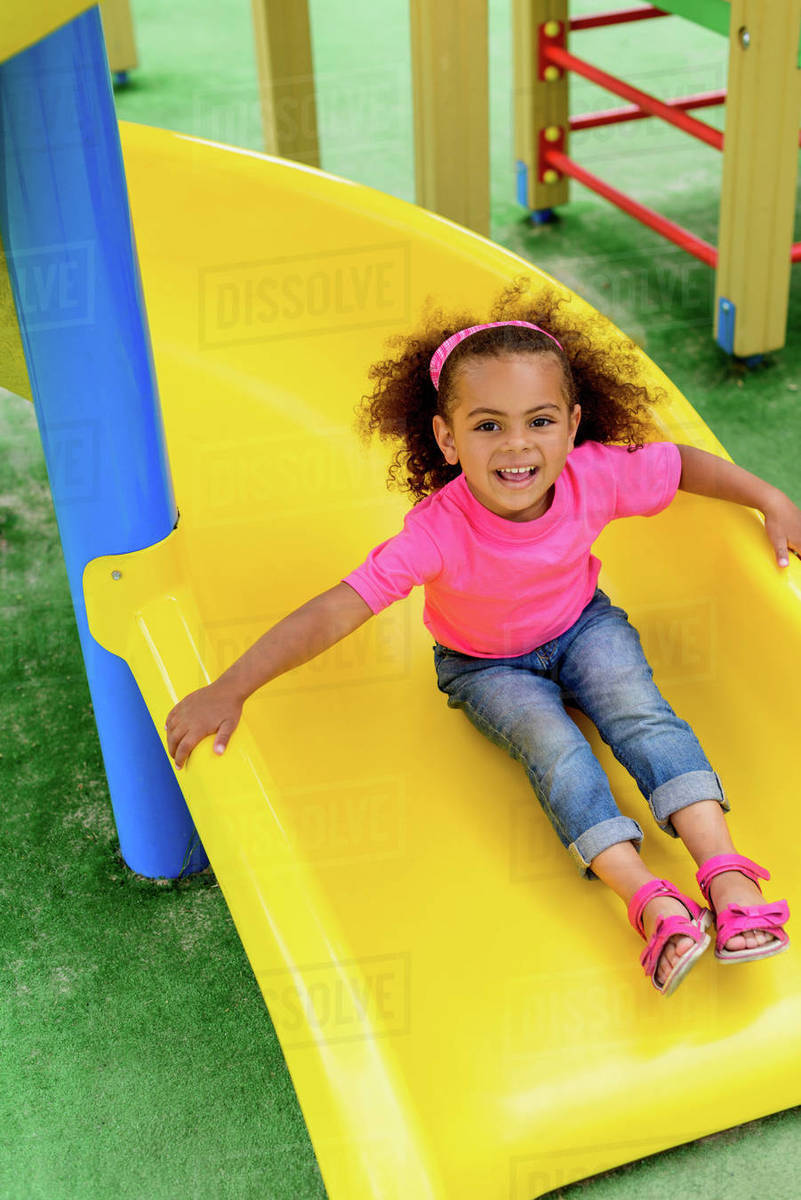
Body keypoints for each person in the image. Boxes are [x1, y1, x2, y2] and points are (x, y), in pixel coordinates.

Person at [164, 277, 798, 996]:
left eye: (539, 421)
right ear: (447, 437)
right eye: (488, 426)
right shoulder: (437, 531)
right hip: (485, 665)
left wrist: (769, 498)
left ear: (571, 424)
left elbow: (681, 465)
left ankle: (726, 874)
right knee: (556, 750)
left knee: (639, 713)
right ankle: (649, 899)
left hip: (582, 624)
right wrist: (231, 686)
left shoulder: (594, 474)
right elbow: (338, 608)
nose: (517, 445)